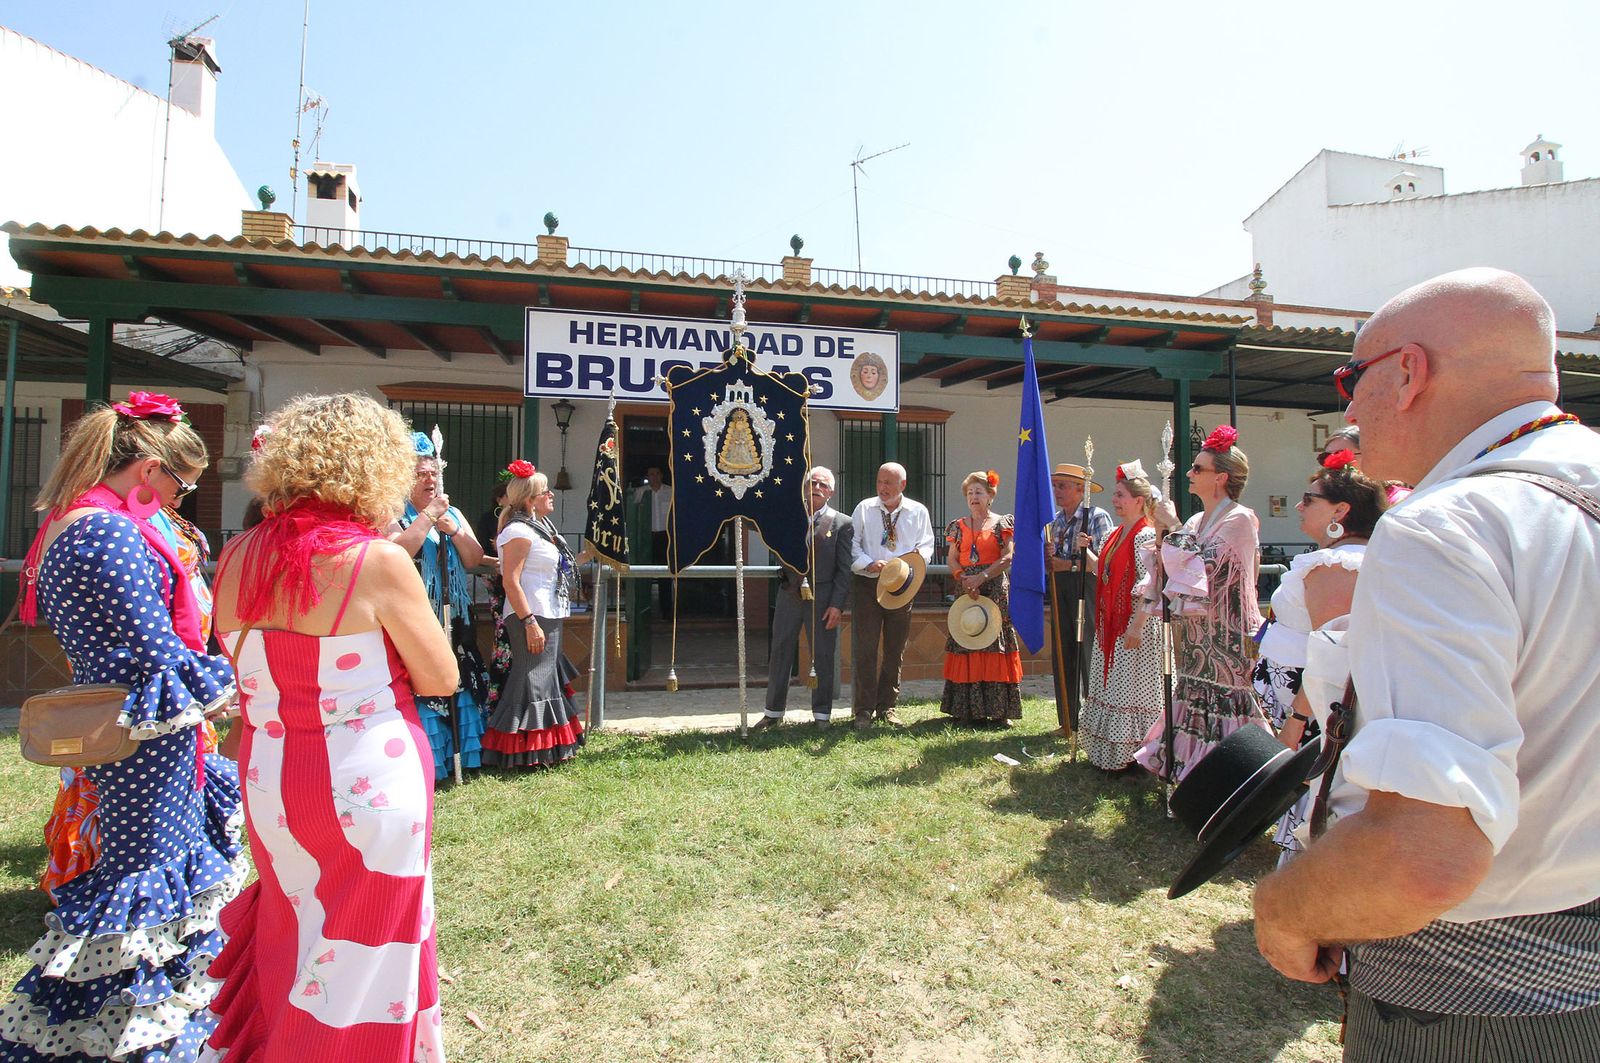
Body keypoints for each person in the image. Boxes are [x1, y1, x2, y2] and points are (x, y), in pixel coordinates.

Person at [1253, 268, 1600, 1059]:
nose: (1346, 408)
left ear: (1408, 371)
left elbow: (1422, 854)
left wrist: (1285, 907)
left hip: (1476, 1008)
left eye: (1352, 377)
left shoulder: (1444, 529)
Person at [203, 392, 454, 1061]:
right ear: (375, 467)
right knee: (370, 960)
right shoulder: (377, 561)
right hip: (366, 779)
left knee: (296, 934)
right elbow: (441, 677)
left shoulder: (235, 556)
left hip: (270, 781)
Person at [1, 392, 244, 1061]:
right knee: (145, 884)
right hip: (144, 739)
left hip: (141, 729)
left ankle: (136, 1027)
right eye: (182, 482)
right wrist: (221, 688)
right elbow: (149, 648)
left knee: (154, 880)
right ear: (149, 473)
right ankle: (130, 1036)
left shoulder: (73, 522)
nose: (182, 497)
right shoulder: (104, 530)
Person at [1252, 453, 1385, 860]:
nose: (1298, 506)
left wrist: (1295, 721)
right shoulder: (1336, 560)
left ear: (1340, 510)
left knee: (1314, 795)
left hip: (1313, 717)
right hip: (1305, 707)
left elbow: (1331, 656)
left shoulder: (1338, 565)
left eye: (1309, 499)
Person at [1135, 424, 1267, 782]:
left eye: (1198, 469)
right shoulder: (1197, 519)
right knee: (1194, 698)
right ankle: (1190, 776)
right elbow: (1174, 566)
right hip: (1196, 635)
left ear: (1221, 477)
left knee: (1225, 701)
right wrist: (1163, 537)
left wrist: (1173, 526)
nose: (1189, 474)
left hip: (1227, 632)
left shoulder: (1239, 519)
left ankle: (1228, 780)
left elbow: (1206, 568)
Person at [388, 433, 487, 782]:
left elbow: (474, 558)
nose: (429, 479)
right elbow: (399, 552)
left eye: (432, 473)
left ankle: (466, 756)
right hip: (417, 614)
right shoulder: (395, 515)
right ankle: (432, 762)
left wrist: (455, 529)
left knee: (459, 678)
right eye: (420, 474)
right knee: (425, 683)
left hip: (455, 615)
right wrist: (427, 518)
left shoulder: (453, 513)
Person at [484, 462, 590, 767]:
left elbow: (560, 568)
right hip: (530, 614)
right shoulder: (518, 531)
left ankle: (545, 749)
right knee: (532, 679)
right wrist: (529, 622)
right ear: (531, 499)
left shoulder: (542, 530)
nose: (552, 496)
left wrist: (593, 552)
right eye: (546, 493)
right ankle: (522, 751)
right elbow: (510, 580)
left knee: (543, 679)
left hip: (548, 611)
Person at [1078, 462, 1164, 771]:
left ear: (1139, 501)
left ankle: (1135, 758)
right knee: (1111, 688)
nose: (1115, 500)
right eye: (1114, 495)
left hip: (1134, 624)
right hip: (1110, 624)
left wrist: (1137, 626)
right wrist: (1085, 552)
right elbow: (1103, 571)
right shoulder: (1113, 535)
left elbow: (1151, 585)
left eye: (1122, 495)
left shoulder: (1145, 537)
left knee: (1130, 690)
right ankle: (1109, 754)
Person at [755, 466, 854, 730]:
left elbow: (845, 570)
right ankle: (773, 712)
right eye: (812, 483)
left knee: (822, 654)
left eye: (822, 485)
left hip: (823, 598)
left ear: (831, 491)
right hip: (789, 592)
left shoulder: (842, 522)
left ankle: (822, 715)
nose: (816, 488)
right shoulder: (788, 517)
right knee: (780, 651)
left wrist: (837, 605)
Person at [848, 462, 935, 729]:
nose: (882, 487)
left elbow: (926, 546)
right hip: (868, 585)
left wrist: (907, 567)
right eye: (880, 481)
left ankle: (887, 707)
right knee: (865, 648)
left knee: (895, 649)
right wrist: (868, 563)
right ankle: (863, 710)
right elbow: (852, 544)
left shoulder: (918, 511)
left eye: (889, 482)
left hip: (901, 588)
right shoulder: (864, 508)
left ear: (903, 485)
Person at [939, 470, 1022, 726]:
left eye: (979, 492)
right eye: (970, 492)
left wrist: (982, 577)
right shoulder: (958, 526)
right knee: (967, 639)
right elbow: (952, 556)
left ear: (990, 496)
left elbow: (1008, 556)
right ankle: (965, 710)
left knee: (994, 643)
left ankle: (999, 711)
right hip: (966, 587)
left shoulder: (1002, 523)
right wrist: (963, 577)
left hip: (993, 587)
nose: (974, 497)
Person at [1044, 462, 1113, 737]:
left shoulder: (1097, 517)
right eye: (1056, 485)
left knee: (1088, 652)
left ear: (1080, 489)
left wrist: (1067, 565)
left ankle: (1094, 721)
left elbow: (1102, 564)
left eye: (1063, 485)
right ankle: (1068, 721)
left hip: (1088, 589)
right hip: (1060, 589)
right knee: (1063, 650)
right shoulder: (1057, 521)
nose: (1057, 491)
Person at [633, 466, 673, 616]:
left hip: (665, 536)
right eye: (651, 474)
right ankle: (643, 613)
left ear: (661, 475)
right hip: (646, 536)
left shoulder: (670, 491)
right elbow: (634, 512)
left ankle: (667, 612)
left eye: (657, 473)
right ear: (647, 476)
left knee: (665, 574)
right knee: (644, 574)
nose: (654, 477)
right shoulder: (640, 492)